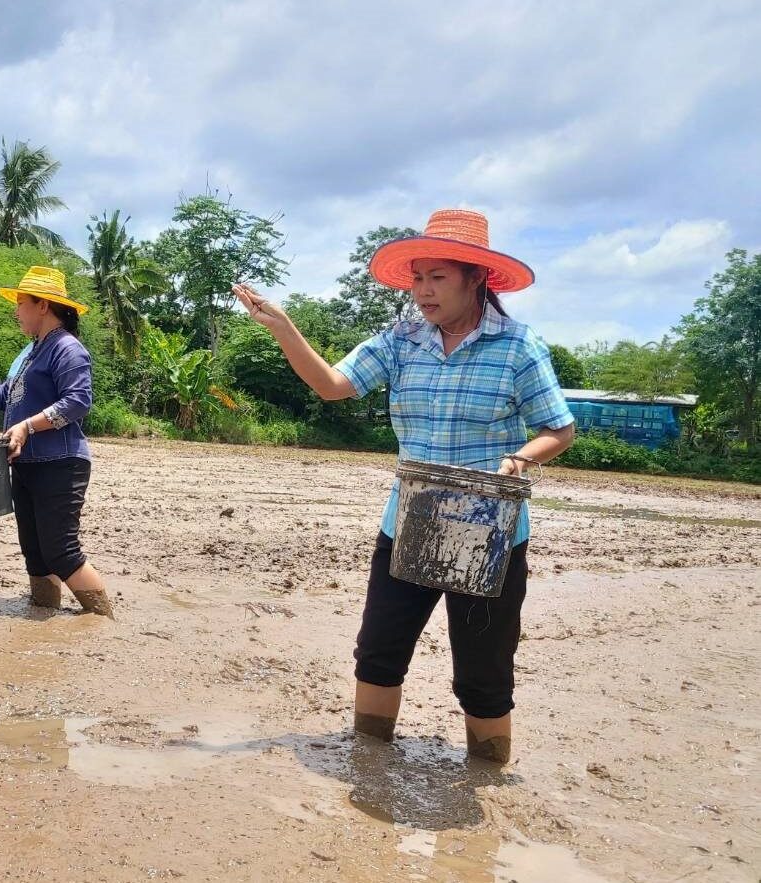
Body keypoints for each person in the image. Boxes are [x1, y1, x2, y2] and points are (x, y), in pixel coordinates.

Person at [233, 209, 575, 763]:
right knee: (378, 654)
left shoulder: (517, 347)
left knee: (484, 671)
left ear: (476, 278)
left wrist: (519, 459)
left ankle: (486, 775)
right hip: (409, 518)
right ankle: (369, 762)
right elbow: (332, 385)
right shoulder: (401, 340)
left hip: (489, 532)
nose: (421, 292)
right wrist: (283, 326)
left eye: (436, 277)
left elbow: (559, 428)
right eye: (417, 278)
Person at [0, 266, 114, 617]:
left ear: (42, 306)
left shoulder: (67, 349)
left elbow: (78, 402)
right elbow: (4, 397)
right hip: (26, 463)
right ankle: (42, 614)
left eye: (20, 302)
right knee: (34, 550)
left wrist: (27, 427)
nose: (15, 310)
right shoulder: (29, 353)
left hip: (61, 464)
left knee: (61, 551)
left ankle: (103, 620)